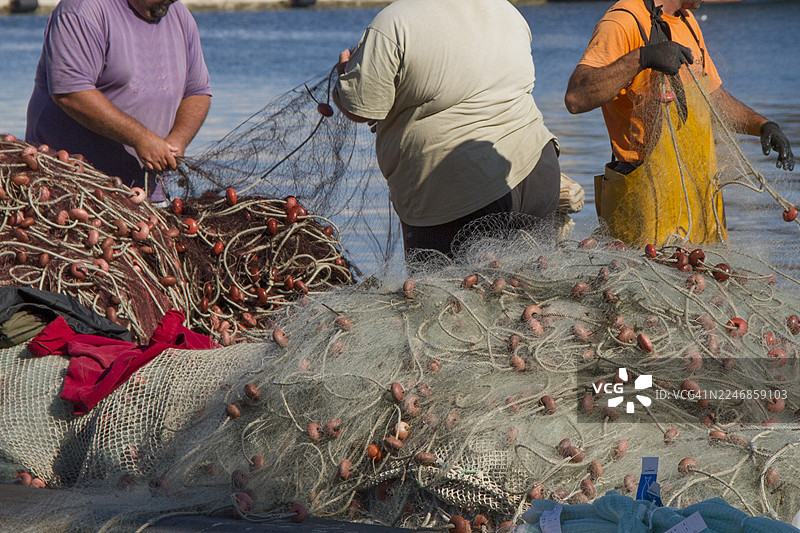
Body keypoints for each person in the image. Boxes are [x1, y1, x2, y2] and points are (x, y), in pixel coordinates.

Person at [333, 0, 560, 260]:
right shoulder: (507, 10)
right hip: (537, 171)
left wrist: (343, 77)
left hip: (455, 191)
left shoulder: (393, 23)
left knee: (445, 296)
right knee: (530, 286)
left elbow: (362, 108)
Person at [564, 0, 794, 248]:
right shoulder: (623, 20)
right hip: (642, 196)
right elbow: (576, 98)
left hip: (696, 194)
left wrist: (763, 125)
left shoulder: (687, 20)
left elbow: (712, 98)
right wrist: (643, 58)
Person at [25, 0, 211, 201]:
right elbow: (70, 93)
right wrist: (140, 138)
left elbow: (197, 91)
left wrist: (178, 139)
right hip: (67, 187)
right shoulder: (82, 10)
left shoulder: (180, 16)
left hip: (145, 194)